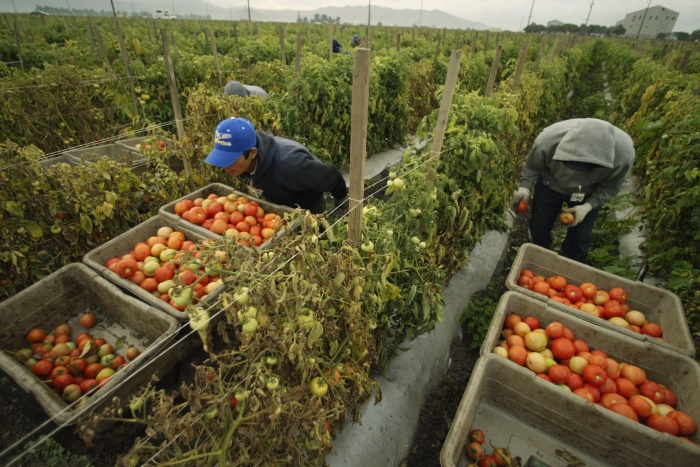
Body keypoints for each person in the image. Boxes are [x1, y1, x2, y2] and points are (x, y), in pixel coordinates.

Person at [512, 118, 635, 263]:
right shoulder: (548, 141)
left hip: (588, 193)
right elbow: (532, 166)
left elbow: (610, 188)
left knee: (580, 239)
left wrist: (587, 207)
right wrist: (525, 188)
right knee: (539, 228)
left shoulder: (623, 156)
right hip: (550, 184)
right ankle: (538, 260)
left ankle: (569, 268)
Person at [204, 117, 348, 214]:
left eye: (231, 159)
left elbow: (332, 176)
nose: (224, 166)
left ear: (253, 153)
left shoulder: (291, 166)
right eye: (222, 159)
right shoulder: (244, 160)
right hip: (281, 202)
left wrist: (342, 203)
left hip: (307, 206)